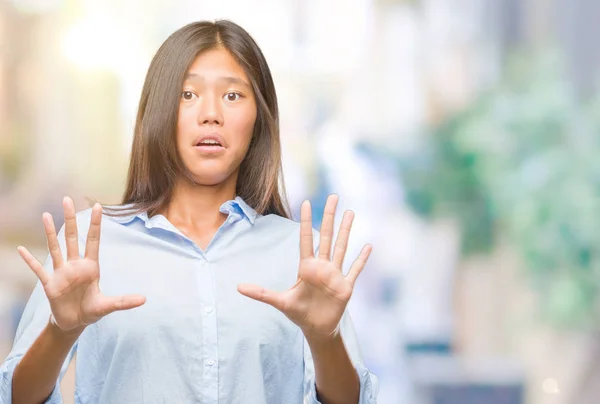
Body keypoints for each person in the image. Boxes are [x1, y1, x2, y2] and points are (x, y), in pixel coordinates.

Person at [0, 20, 378, 404]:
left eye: (233, 96)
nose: (211, 114)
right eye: (187, 94)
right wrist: (60, 331)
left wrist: (324, 339)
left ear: (259, 119)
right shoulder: (86, 248)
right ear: (159, 110)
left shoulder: (302, 256)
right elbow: (16, 398)